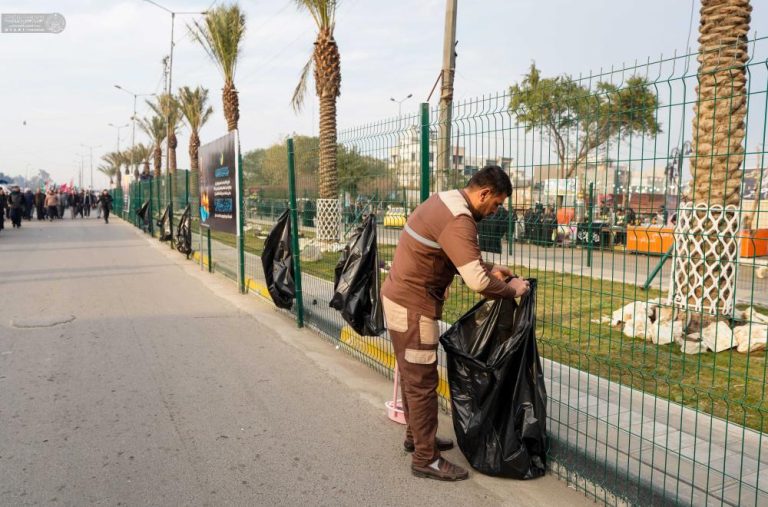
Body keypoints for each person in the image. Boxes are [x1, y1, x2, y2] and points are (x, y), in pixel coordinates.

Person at [380, 165, 530, 482]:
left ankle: (416, 437)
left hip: (399, 298)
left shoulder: (446, 200)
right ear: (484, 193)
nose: (495, 211)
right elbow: (476, 281)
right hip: (413, 308)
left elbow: (456, 255)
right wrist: (511, 289)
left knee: (412, 375)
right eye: (497, 203)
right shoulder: (460, 219)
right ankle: (425, 459)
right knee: (421, 381)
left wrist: (491, 266)